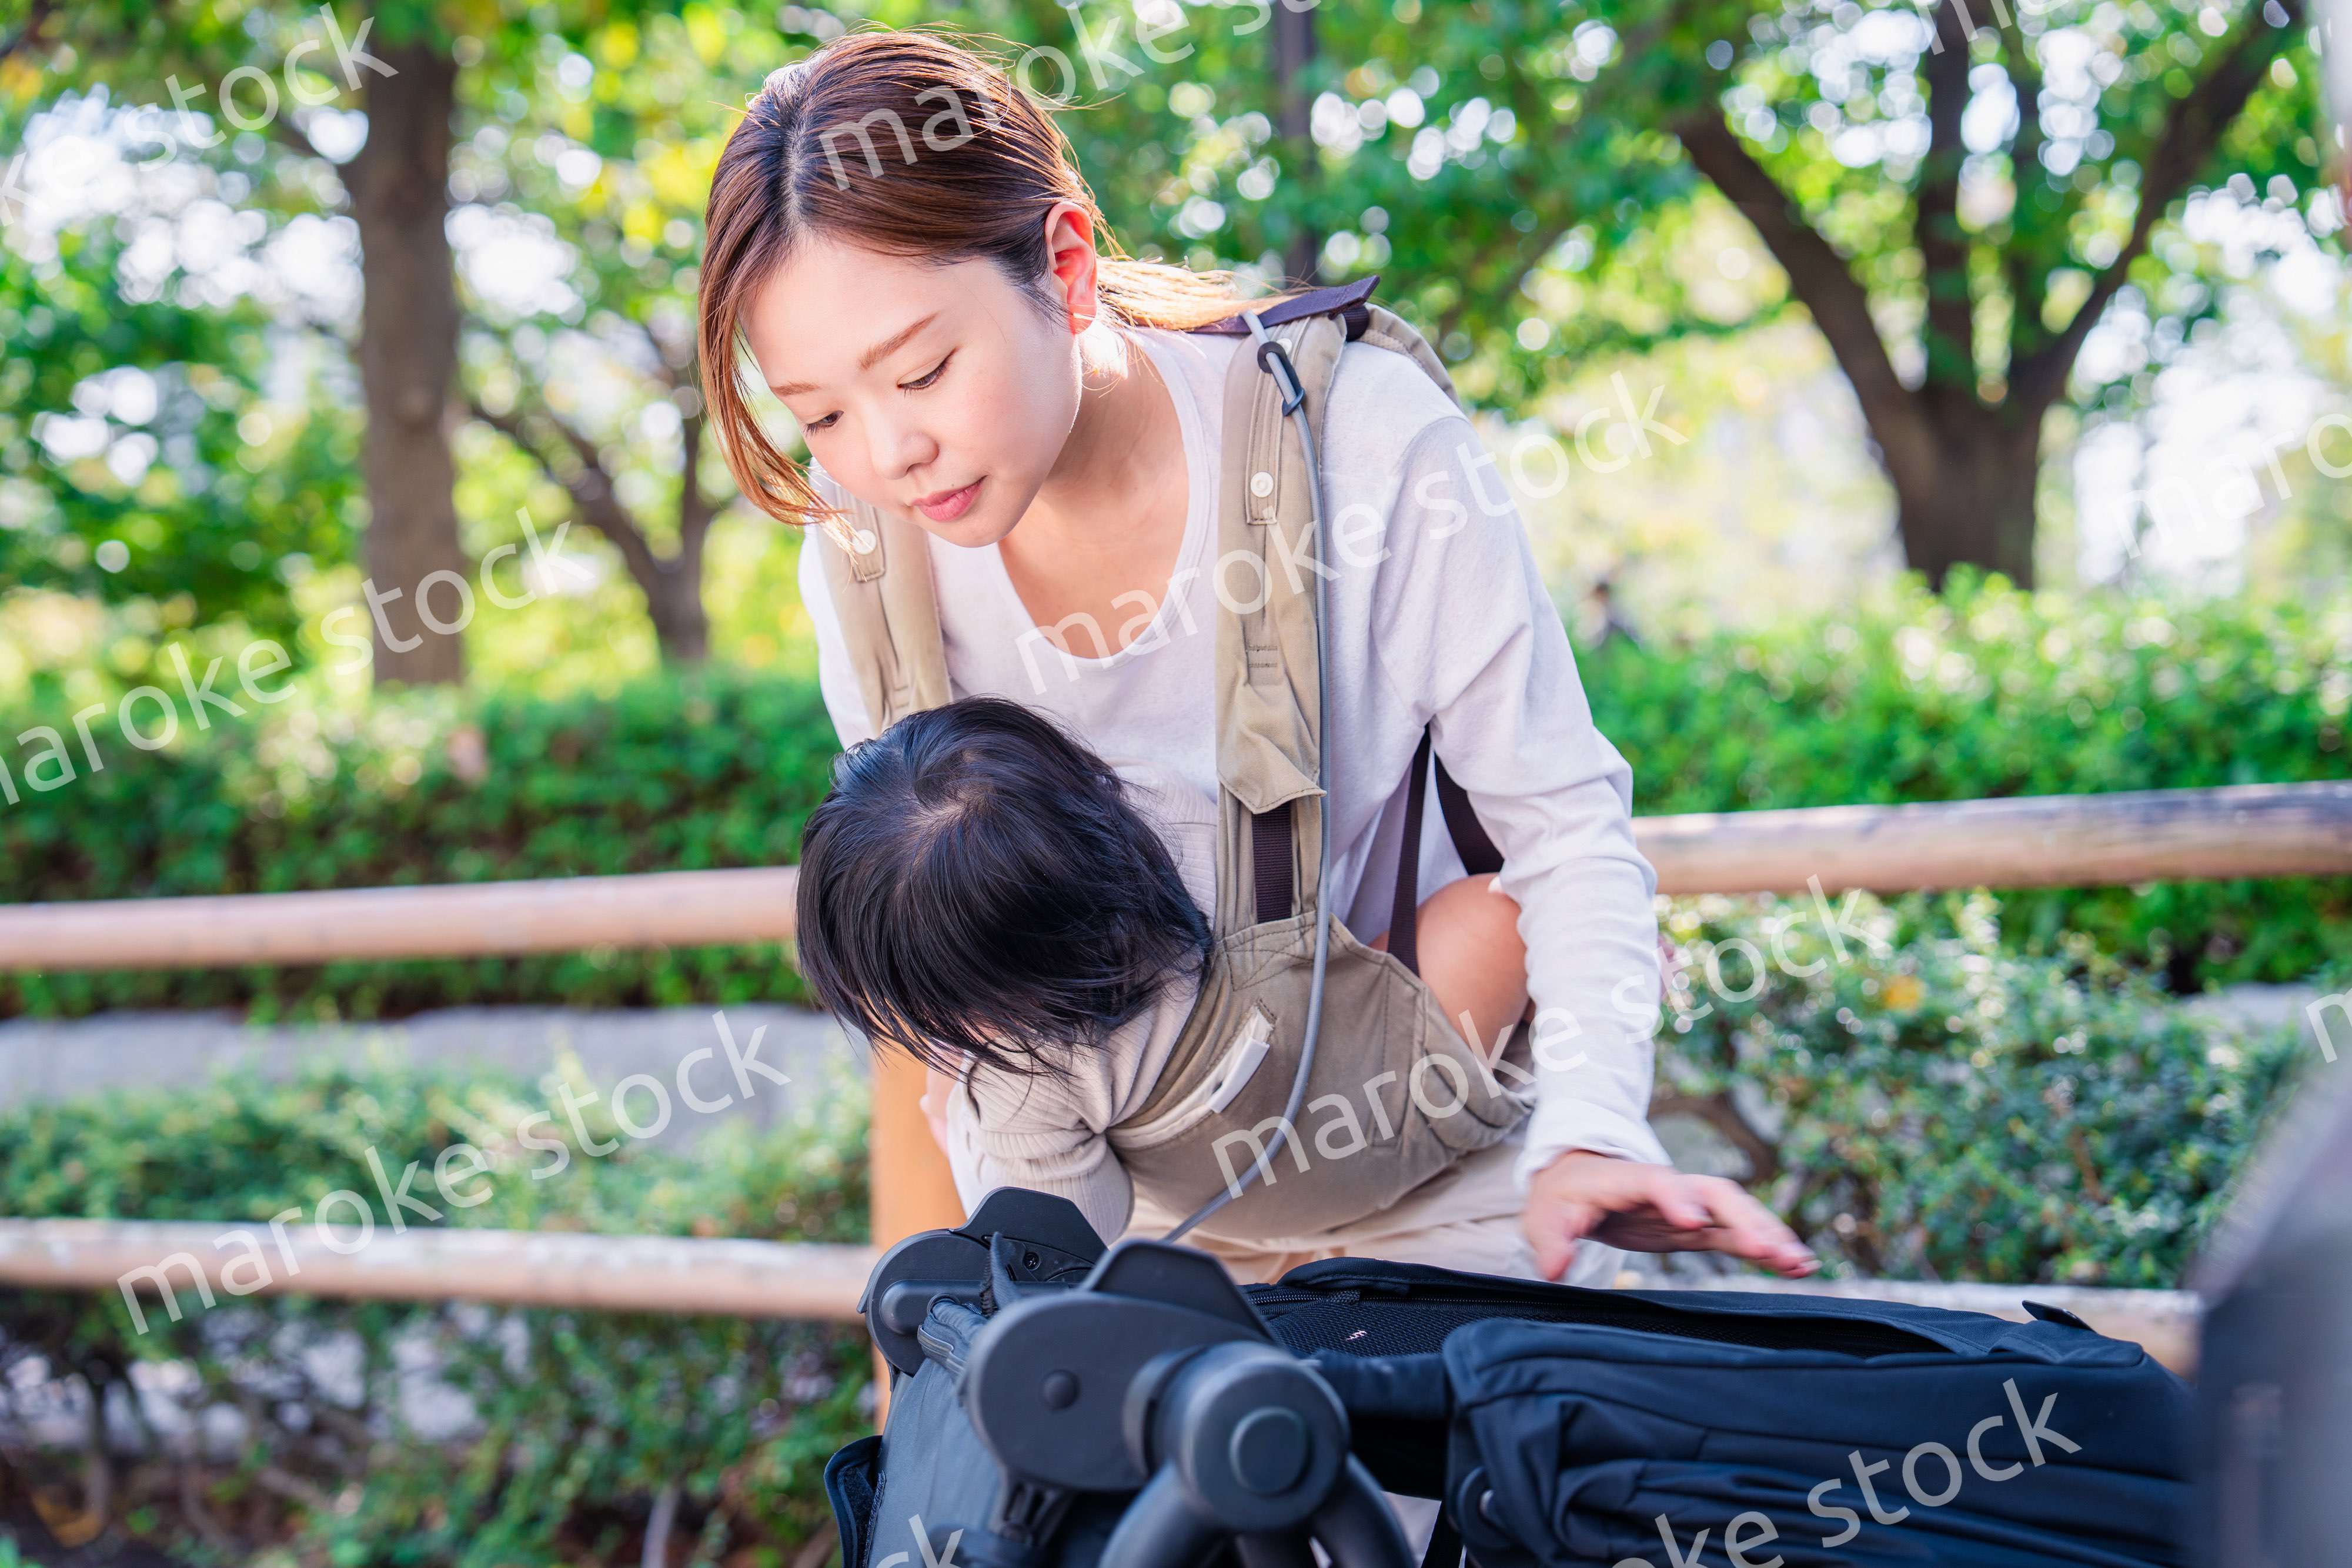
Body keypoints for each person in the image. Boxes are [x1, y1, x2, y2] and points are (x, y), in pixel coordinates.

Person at [698, 28, 1815, 1285]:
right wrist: (923, 1345)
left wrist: (1593, 1131)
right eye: (821, 414)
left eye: (923, 369)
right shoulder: (866, 566)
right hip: (1124, 1246)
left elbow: (1562, 825)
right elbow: (950, 1004)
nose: (887, 452)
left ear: (1064, 266)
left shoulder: (1357, 444)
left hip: (1445, 1199)